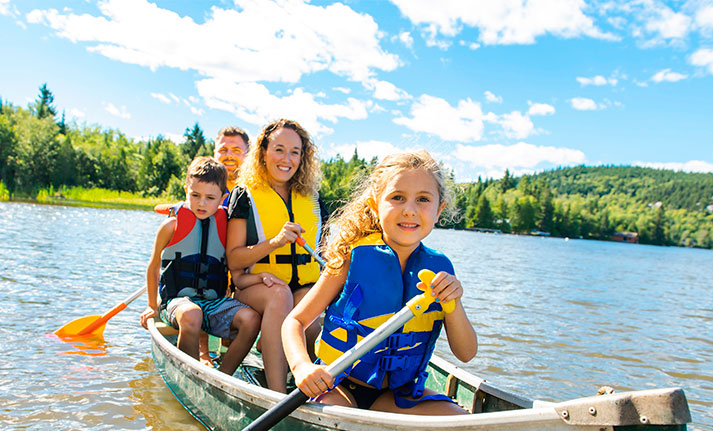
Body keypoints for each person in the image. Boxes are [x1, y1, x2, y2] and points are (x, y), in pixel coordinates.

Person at [281, 151, 477, 415]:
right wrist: (301, 366)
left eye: (423, 199)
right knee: (344, 420)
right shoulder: (352, 256)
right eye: (397, 198)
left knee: (460, 420)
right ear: (375, 204)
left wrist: (453, 305)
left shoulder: (440, 270)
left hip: (399, 394)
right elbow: (294, 322)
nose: (410, 210)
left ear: (438, 209)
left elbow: (466, 353)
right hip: (339, 386)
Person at [226, 118, 327, 392]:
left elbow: (329, 254)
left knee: (310, 313)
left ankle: (305, 382)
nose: (287, 159)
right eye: (279, 149)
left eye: (295, 152)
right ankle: (277, 394)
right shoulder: (244, 195)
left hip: (302, 285)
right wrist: (275, 242)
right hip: (256, 286)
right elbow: (234, 260)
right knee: (280, 295)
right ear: (263, 152)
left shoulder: (314, 199)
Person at [140, 156, 260, 375]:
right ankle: (190, 374)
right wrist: (151, 305)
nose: (202, 203)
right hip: (177, 303)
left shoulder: (227, 229)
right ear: (186, 190)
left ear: (222, 198)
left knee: (251, 319)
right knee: (192, 314)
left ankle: (223, 377)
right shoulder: (171, 226)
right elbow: (154, 265)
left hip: (213, 303)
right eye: (195, 195)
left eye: (210, 198)